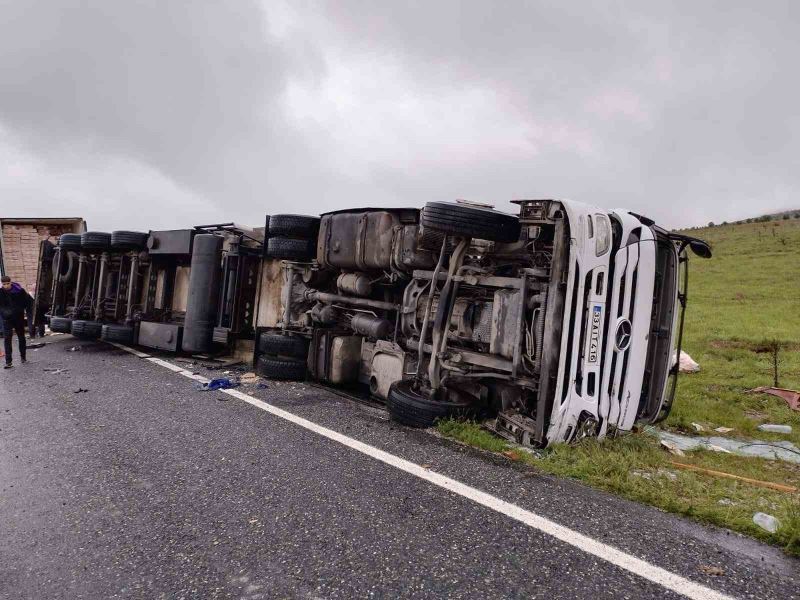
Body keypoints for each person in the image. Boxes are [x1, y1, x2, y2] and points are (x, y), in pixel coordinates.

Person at [0, 276, 33, 368]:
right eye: (4, 284)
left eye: (7, 284)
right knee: (7, 339)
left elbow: (28, 302)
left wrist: (24, 311)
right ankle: (8, 362)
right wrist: (4, 312)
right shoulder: (1, 293)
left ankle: (23, 357)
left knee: (21, 337)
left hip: (18, 318)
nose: (6, 286)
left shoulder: (19, 291)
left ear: (11, 282)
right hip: (7, 319)